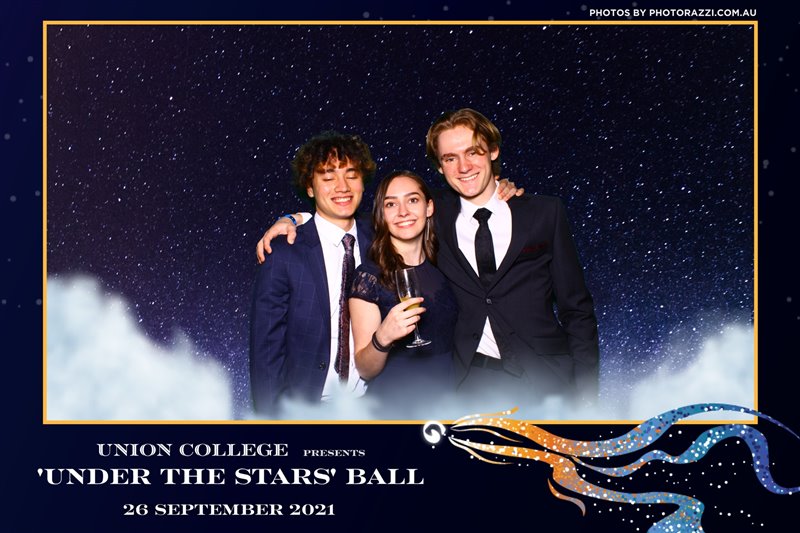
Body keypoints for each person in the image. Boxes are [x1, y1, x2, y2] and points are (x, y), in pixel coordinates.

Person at [425, 108, 599, 406]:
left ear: (493, 151)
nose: (463, 167)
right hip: (471, 383)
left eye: (473, 152)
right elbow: (383, 214)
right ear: (440, 167)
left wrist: (586, 395)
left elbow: (576, 309)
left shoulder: (544, 212)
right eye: (450, 158)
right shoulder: (433, 215)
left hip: (547, 378)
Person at [249, 131, 375, 416]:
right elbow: (266, 350)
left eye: (351, 175)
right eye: (328, 178)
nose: (342, 187)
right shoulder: (284, 253)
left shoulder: (381, 241)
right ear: (310, 187)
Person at [349, 171, 457, 417]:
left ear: (429, 207)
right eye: (391, 204)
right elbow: (365, 369)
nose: (403, 212)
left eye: (413, 200)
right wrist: (383, 337)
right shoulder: (368, 276)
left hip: (447, 405)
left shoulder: (445, 265)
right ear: (382, 215)